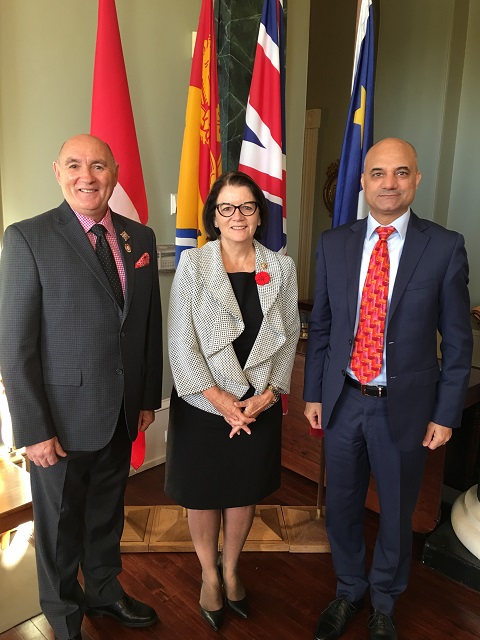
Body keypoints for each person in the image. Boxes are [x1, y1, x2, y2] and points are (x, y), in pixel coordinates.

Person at [304, 138, 472, 640]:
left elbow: (458, 341)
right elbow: (323, 327)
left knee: (397, 514)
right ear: (363, 182)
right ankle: (348, 589)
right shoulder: (334, 243)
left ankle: (383, 601)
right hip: (343, 401)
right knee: (342, 507)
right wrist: (314, 394)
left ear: (416, 179)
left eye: (401, 172)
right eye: (378, 173)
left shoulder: (443, 247)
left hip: (405, 408)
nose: (389, 183)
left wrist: (446, 414)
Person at [0, 134, 163, 640]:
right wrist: (33, 429)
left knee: (106, 515)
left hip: (120, 413)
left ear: (114, 173)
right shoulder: (27, 237)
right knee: (59, 527)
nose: (86, 176)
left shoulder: (139, 237)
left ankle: (105, 592)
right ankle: (64, 618)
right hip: (61, 422)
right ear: (58, 172)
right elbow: (15, 345)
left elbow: (146, 326)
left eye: (98, 166)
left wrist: (146, 400)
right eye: (74, 165)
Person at [165, 171, 300, 631]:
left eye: (246, 207)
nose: (237, 215)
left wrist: (268, 395)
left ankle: (231, 569)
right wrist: (221, 400)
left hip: (258, 403)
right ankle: (209, 573)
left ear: (259, 215)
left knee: (243, 491)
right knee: (203, 494)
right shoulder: (194, 265)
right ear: (214, 217)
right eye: (227, 207)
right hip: (203, 404)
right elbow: (181, 342)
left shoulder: (281, 268)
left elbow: (288, 337)